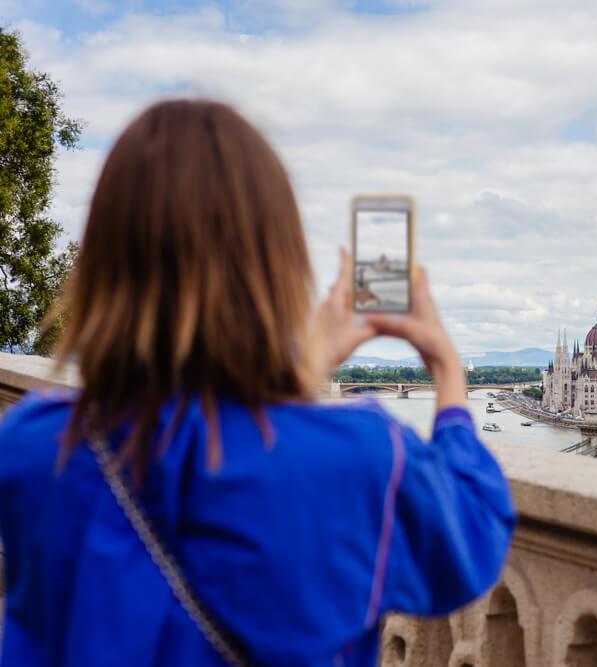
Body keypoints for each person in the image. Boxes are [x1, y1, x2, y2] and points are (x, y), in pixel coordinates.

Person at [0, 100, 516, 666]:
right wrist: (445, 366)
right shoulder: (363, 460)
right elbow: (474, 532)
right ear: (278, 262)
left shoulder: (31, 444)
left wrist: (306, 364)